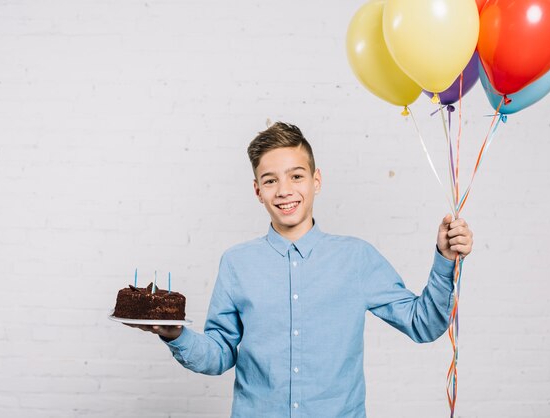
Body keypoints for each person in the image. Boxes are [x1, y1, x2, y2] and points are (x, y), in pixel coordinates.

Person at [129, 122, 473, 417]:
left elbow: (423, 324)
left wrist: (445, 259)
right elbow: (219, 354)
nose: (284, 191)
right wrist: (175, 335)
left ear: (316, 180)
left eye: (296, 176)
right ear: (257, 191)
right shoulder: (237, 264)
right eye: (270, 181)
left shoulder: (356, 259)